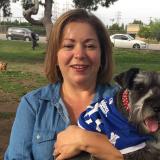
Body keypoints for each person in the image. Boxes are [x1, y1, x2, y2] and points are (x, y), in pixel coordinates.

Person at [4, 9, 123, 160]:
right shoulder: (33, 104)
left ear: (102, 54)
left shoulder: (123, 102)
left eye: (90, 46)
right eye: (68, 45)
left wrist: (84, 140)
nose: (79, 54)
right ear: (55, 55)